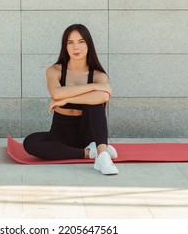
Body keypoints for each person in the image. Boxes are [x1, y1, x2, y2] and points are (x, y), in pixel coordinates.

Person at [23, 24, 118, 175]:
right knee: (30, 142)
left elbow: (104, 96)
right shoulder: (55, 71)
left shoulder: (99, 75)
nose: (76, 47)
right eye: (70, 42)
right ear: (65, 46)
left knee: (94, 103)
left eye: (81, 42)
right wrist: (93, 86)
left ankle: (102, 155)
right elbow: (56, 93)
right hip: (61, 133)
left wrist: (66, 99)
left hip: (88, 132)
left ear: (88, 45)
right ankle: (89, 153)